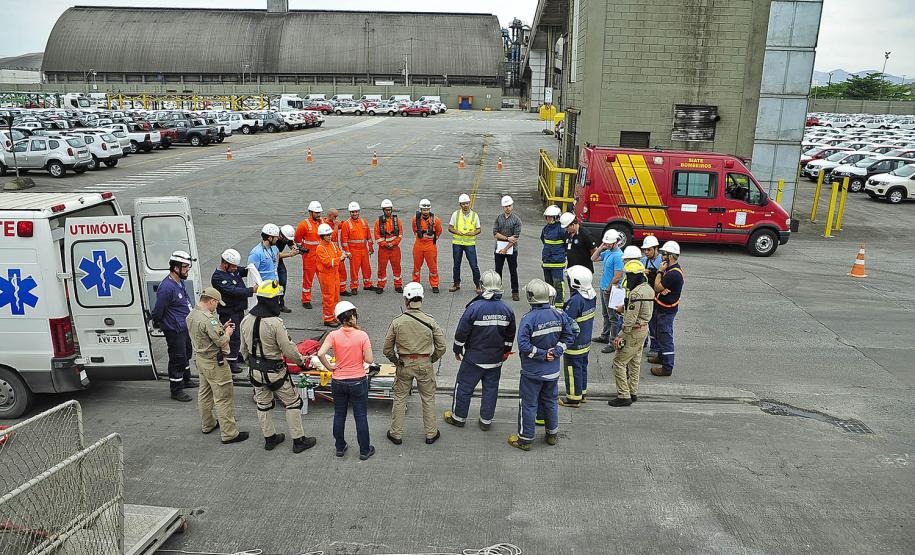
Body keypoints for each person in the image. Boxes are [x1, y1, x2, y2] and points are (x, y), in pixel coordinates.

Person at [239, 280, 318, 453]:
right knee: (293, 403)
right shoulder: (275, 323)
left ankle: (270, 438)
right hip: (276, 372)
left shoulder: (246, 320)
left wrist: (251, 365)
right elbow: (288, 349)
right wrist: (301, 362)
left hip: (255, 372)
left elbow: (243, 350)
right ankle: (298, 440)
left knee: (263, 404)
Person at [508, 279, 576, 451]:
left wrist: (542, 354)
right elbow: (569, 336)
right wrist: (557, 351)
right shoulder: (559, 315)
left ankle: (525, 439)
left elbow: (524, 346)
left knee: (528, 405)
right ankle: (552, 435)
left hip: (532, 372)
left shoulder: (528, 319)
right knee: (550, 402)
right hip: (552, 372)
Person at [443, 270, 515, 430]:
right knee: (491, 390)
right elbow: (510, 336)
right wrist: (505, 352)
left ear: (482, 286)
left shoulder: (474, 308)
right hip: (495, 360)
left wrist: (457, 349)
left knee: (464, 387)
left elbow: (462, 332)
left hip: (473, 359)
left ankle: (458, 417)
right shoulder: (507, 309)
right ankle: (486, 421)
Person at [383, 282, 446, 445]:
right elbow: (441, 347)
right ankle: (431, 433)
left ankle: (396, 434)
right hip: (424, 364)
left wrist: (396, 361)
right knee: (428, 398)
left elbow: (387, 349)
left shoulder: (397, 322)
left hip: (404, 364)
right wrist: (431, 359)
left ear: (406, 300)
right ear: (421, 299)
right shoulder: (430, 321)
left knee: (400, 398)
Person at [187, 287, 248, 444]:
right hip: (215, 363)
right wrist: (227, 332)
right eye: (217, 303)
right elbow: (221, 341)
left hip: (201, 360)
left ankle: (208, 424)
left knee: (205, 393)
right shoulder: (209, 319)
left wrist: (221, 327)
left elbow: (205, 335)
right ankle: (229, 433)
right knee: (223, 397)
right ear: (211, 301)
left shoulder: (192, 315)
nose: (217, 307)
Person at [317, 301, 376, 460]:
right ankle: (364, 450)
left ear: (338, 319)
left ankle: (340, 447)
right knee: (361, 416)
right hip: (358, 381)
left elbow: (320, 353)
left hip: (338, 381)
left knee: (339, 414)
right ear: (354, 316)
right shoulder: (362, 335)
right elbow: (369, 360)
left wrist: (330, 367)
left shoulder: (333, 335)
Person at [152, 250, 197, 402]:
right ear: (176, 268)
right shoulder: (167, 287)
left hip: (184, 327)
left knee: (186, 353)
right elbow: (159, 310)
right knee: (178, 358)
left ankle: (186, 379)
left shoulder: (179, 282)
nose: (188, 269)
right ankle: (176, 389)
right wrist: (160, 323)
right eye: (185, 267)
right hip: (174, 329)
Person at [609, 259, 655, 406]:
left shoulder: (635, 293)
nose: (627, 279)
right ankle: (632, 391)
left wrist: (620, 335)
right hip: (643, 329)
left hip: (634, 331)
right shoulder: (648, 288)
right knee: (635, 362)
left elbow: (630, 319)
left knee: (619, 362)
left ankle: (624, 395)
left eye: (628, 275)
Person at [210, 248, 256, 374]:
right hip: (229, 311)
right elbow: (233, 291)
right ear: (225, 264)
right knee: (232, 336)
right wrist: (252, 290)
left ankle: (234, 354)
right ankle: (231, 362)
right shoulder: (218, 277)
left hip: (238, 309)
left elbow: (243, 271)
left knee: (238, 334)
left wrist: (252, 268)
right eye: (233, 266)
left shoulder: (232, 270)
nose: (236, 269)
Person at [558, 266, 597, 408]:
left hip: (574, 344)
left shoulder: (576, 300)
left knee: (572, 370)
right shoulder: (592, 295)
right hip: (585, 341)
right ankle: (582, 393)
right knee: (582, 367)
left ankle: (573, 398)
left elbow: (567, 322)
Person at [650, 241, 684, 377]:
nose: (662, 256)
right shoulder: (670, 270)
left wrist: (659, 272)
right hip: (662, 307)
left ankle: (667, 367)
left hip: (666, 311)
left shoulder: (673, 273)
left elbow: (657, 287)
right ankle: (661, 357)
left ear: (670, 256)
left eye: (664, 254)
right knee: (660, 334)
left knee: (665, 337)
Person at [592, 229, 624, 352]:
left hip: (613, 290)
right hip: (604, 288)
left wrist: (609, 289)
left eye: (609, 243)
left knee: (613, 318)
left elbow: (618, 276)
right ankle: (605, 336)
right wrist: (601, 247)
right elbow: (593, 258)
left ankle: (612, 342)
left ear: (615, 242)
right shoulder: (608, 252)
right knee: (606, 314)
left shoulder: (618, 256)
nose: (607, 244)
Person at [316, 223, 349, 327]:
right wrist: (340, 258)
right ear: (322, 236)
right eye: (327, 235)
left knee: (335, 296)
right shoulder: (320, 248)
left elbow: (338, 253)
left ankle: (334, 316)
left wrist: (344, 255)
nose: (330, 236)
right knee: (328, 297)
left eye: (330, 234)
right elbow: (327, 262)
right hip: (326, 275)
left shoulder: (333, 244)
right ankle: (328, 319)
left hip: (334, 274)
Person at [448, 193, 482, 293]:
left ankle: (478, 284)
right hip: (457, 243)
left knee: (474, 265)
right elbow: (450, 228)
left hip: (469, 244)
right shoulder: (455, 214)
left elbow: (479, 229)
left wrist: (473, 233)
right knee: (456, 265)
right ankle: (456, 284)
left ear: (469, 203)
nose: (465, 205)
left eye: (467, 203)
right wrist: (456, 231)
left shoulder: (474, 215)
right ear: (460, 205)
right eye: (463, 204)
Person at [340, 201, 376, 295]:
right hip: (353, 250)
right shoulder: (346, 224)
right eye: (353, 212)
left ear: (358, 211)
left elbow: (369, 236)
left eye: (356, 211)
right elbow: (343, 240)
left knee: (366, 268)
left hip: (364, 249)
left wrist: (370, 247)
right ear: (350, 212)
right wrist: (347, 252)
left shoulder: (364, 222)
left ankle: (367, 284)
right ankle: (354, 286)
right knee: (354, 270)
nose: (354, 213)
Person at [294, 200, 324, 309]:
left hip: (321, 257)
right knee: (308, 279)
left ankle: (326, 297)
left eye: (319, 212)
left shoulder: (322, 223)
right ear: (310, 212)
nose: (318, 215)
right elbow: (297, 239)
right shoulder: (303, 224)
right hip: (309, 257)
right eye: (316, 213)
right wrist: (302, 249)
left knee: (323, 278)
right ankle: (306, 299)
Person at [493, 195, 522, 301]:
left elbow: (515, 237)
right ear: (503, 207)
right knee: (498, 271)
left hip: (512, 249)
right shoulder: (498, 218)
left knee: (513, 271)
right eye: (506, 206)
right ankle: (497, 291)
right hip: (499, 249)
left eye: (509, 206)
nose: (508, 208)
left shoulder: (517, 220)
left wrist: (506, 248)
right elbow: (495, 233)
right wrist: (507, 238)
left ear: (512, 206)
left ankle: (515, 292)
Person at [411, 199, 443, 293]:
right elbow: (414, 230)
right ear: (420, 210)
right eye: (424, 210)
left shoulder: (436, 220)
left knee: (433, 267)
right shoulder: (415, 219)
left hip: (430, 246)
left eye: (427, 210)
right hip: (419, 245)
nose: (426, 212)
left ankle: (434, 284)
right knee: (416, 267)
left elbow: (439, 231)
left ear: (430, 209)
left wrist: (432, 239)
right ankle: (416, 283)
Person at [373, 199, 403, 293]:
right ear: (383, 210)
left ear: (391, 209)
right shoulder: (378, 222)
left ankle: (398, 285)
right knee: (381, 268)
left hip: (395, 248)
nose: (388, 211)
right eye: (386, 210)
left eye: (389, 210)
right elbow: (377, 236)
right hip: (383, 249)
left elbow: (400, 234)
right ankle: (380, 286)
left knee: (397, 267)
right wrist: (385, 244)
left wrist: (393, 243)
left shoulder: (397, 220)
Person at [640, 235, 662, 353]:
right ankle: (643, 341)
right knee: (644, 320)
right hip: (646, 296)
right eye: (645, 250)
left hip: (657, 297)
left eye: (649, 249)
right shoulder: (643, 261)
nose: (646, 252)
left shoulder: (662, 261)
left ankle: (655, 347)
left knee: (654, 322)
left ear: (656, 248)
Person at [540, 205, 566, 308]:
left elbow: (566, 243)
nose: (548, 219)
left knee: (558, 285)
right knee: (548, 286)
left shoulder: (561, 229)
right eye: (547, 217)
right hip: (547, 262)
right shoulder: (546, 228)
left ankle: (559, 306)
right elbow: (544, 241)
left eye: (551, 217)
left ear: (557, 217)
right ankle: (549, 305)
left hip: (557, 263)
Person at [325, 207, 349, 296]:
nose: (337, 218)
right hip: (330, 253)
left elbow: (344, 224)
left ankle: (342, 289)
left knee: (342, 271)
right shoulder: (325, 225)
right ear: (330, 216)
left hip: (337, 251)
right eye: (335, 216)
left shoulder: (334, 222)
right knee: (332, 273)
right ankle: (333, 289)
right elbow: (332, 237)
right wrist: (335, 225)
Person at [275, 225, 298, 313]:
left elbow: (291, 244)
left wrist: (295, 248)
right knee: (272, 282)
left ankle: (281, 304)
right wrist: (290, 254)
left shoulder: (286, 237)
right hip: (271, 261)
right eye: (286, 239)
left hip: (279, 262)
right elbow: (276, 254)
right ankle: (272, 304)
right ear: (281, 236)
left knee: (283, 281)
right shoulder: (274, 240)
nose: (287, 241)